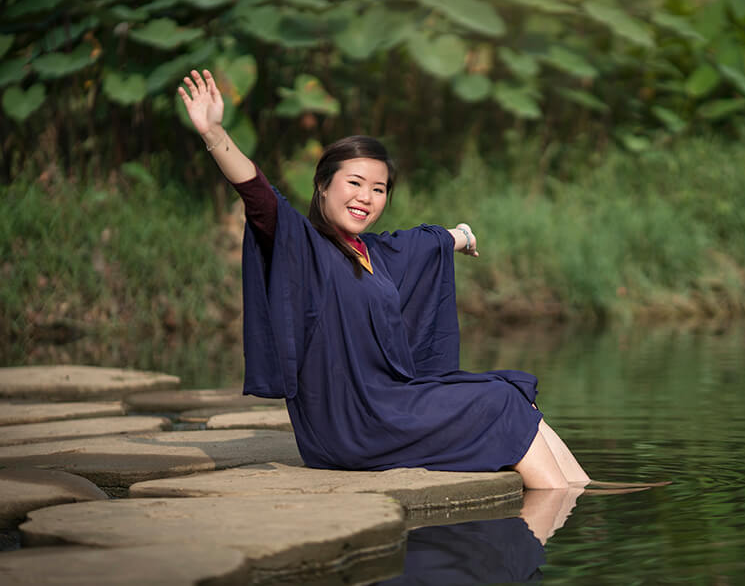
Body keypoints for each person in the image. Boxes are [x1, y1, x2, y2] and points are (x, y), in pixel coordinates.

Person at [178, 69, 589, 489]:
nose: (366, 198)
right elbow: (260, 197)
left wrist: (461, 237)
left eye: (378, 189)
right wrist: (213, 133)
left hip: (386, 408)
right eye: (354, 183)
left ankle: (580, 489)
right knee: (498, 400)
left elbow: (423, 243)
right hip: (350, 425)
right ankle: (558, 506)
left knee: (511, 389)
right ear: (322, 186)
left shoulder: (374, 253)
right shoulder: (306, 247)